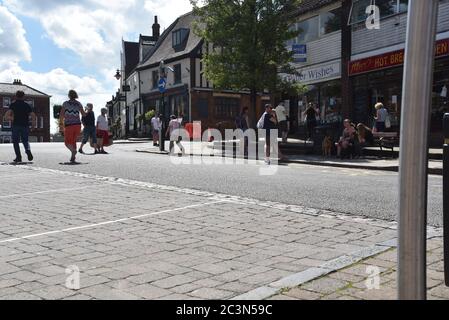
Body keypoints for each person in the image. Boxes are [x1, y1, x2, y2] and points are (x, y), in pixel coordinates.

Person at [5, 90, 36, 163]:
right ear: (23, 96)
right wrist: (33, 125)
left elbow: (6, 116)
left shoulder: (13, 104)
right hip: (25, 125)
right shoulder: (26, 105)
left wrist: (12, 118)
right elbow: (33, 115)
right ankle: (28, 150)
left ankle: (18, 157)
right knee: (25, 140)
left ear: (16, 96)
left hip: (16, 125)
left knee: (15, 142)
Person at [60, 90, 86, 163]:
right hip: (77, 125)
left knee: (67, 142)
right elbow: (83, 114)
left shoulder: (65, 103)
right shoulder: (78, 104)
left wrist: (61, 125)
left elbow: (61, 115)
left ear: (69, 95)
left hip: (69, 125)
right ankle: (73, 157)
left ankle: (73, 151)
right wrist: (87, 110)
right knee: (73, 141)